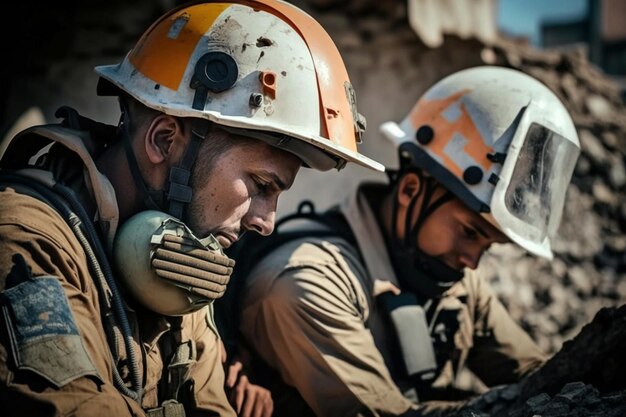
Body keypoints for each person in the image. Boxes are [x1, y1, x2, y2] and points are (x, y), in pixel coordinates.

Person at [0, 1, 383, 416]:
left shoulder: (174, 265)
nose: (266, 221)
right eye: (261, 185)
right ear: (165, 140)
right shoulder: (24, 240)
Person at [227, 66, 582, 416]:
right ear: (411, 191)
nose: (473, 261)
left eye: (488, 245)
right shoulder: (304, 282)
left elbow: (538, 374)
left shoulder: (452, 276)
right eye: (470, 232)